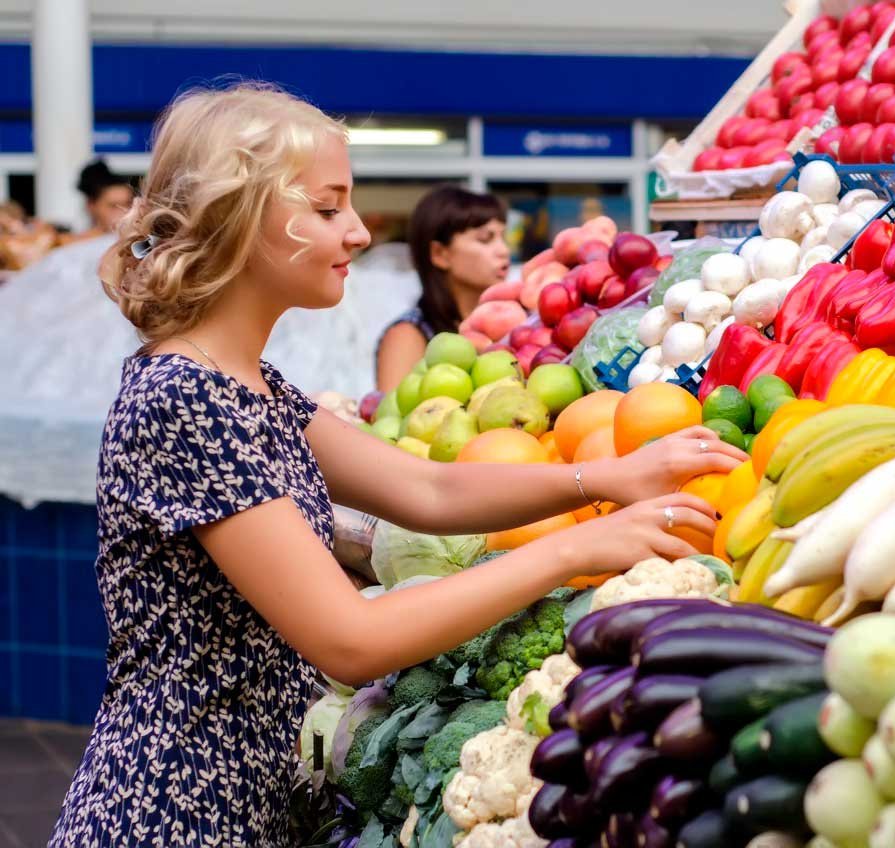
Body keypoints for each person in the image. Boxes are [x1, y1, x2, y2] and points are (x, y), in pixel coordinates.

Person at [51, 83, 744, 848]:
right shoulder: (187, 398)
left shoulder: (246, 383)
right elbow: (348, 638)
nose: (355, 232)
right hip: (175, 815)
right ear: (239, 221)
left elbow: (427, 487)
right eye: (326, 208)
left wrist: (604, 479)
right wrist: (576, 548)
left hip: (238, 800)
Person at [376, 186, 511, 391]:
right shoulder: (408, 335)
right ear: (440, 254)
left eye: (503, 237)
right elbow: (392, 416)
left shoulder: (509, 325)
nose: (503, 250)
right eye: (485, 239)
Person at [70, 159, 134, 241]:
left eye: (129, 204)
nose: (124, 212)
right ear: (91, 205)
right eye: (114, 206)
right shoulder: (72, 245)